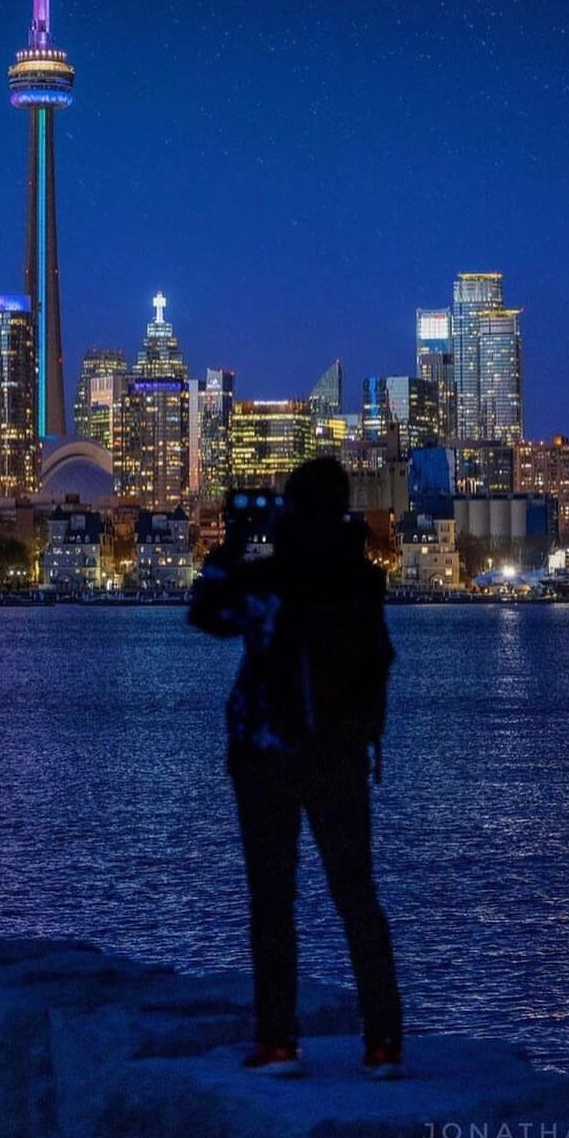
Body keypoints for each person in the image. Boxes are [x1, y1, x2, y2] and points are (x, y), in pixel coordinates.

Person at [189, 456, 403, 1079]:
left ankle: (279, 1040)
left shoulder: (270, 580)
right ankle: (384, 1041)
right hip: (341, 756)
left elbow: (206, 612)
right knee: (357, 897)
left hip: (267, 756)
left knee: (272, 900)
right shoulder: (362, 580)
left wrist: (230, 542)